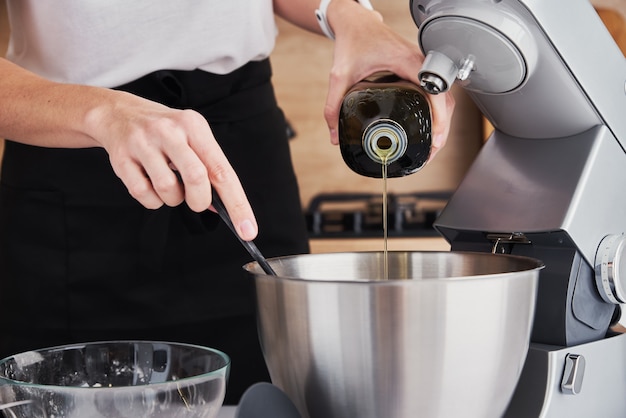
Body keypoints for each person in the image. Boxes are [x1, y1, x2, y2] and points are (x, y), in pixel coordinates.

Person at [0, 0, 454, 404]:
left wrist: (345, 11)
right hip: (70, 154)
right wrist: (99, 113)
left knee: (270, 389)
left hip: (239, 151)